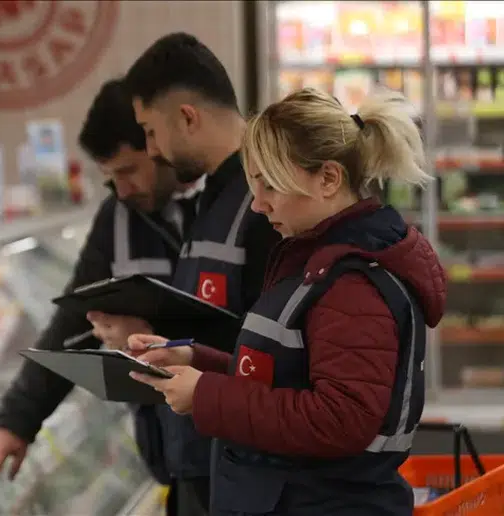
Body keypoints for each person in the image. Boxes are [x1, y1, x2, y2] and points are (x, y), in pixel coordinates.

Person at [129, 87, 447, 516]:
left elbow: (341, 419)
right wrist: (196, 360)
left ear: (328, 179)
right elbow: (286, 379)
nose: (258, 205)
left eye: (270, 186)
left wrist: (206, 395)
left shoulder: (352, 284)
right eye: (253, 185)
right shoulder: (314, 259)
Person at [0, 78, 200, 500]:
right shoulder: (118, 216)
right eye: (110, 177)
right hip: (172, 454)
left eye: (129, 170)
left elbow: (248, 326)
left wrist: (150, 332)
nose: (122, 189)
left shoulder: (233, 204)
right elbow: (75, 318)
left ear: (160, 146)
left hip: (234, 450)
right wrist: (17, 419)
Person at [88, 33, 279, 515]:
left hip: (240, 466)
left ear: (187, 117)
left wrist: (157, 335)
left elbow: (273, 348)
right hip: (203, 458)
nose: (151, 150)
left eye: (151, 131)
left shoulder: (264, 203)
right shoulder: (214, 199)